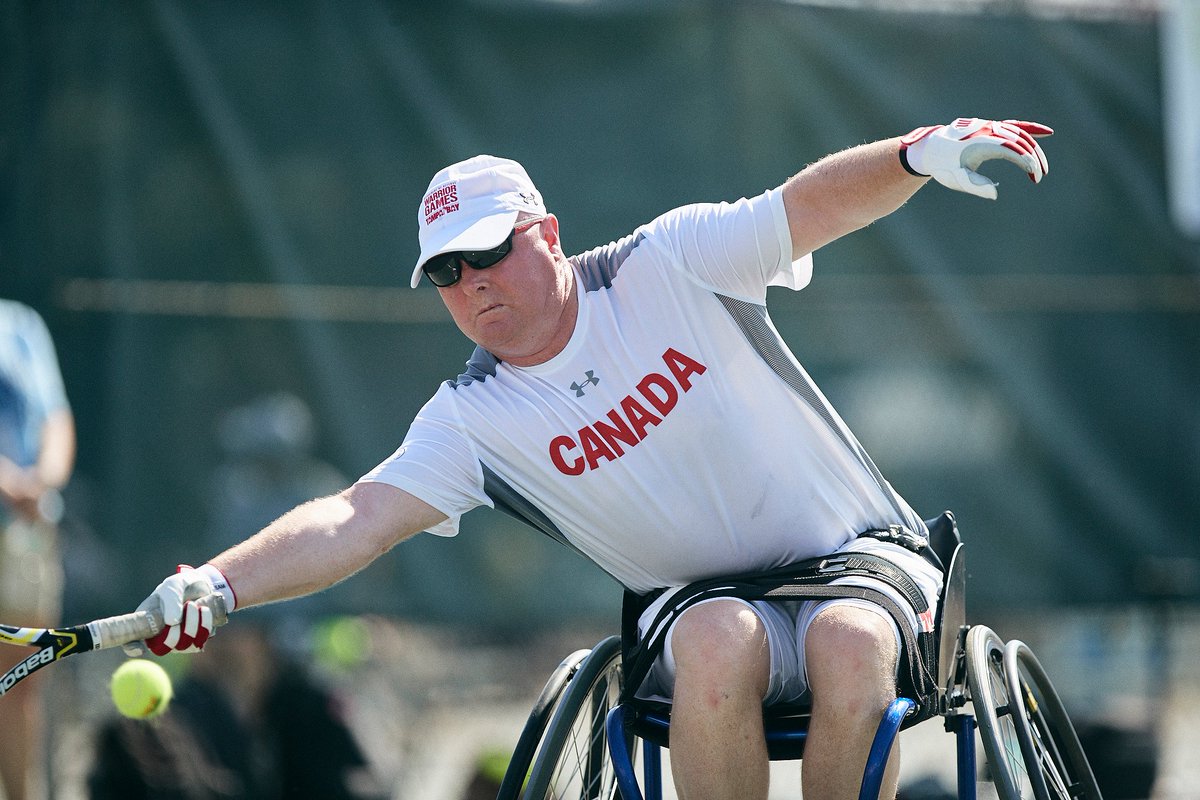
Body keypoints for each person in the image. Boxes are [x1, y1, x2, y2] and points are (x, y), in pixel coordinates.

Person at [130, 117, 1051, 800]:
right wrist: (217, 582)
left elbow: (803, 208)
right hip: (709, 609)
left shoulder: (669, 262)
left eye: (487, 251)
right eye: (445, 272)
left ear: (549, 232)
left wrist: (915, 155)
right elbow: (357, 517)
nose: (472, 282)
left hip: (864, 563)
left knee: (849, 642)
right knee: (709, 639)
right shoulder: (472, 416)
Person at [0, 298, 76, 800]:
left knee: (22, 678)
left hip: (26, 538)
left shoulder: (21, 324)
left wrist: (41, 482)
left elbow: (55, 420)